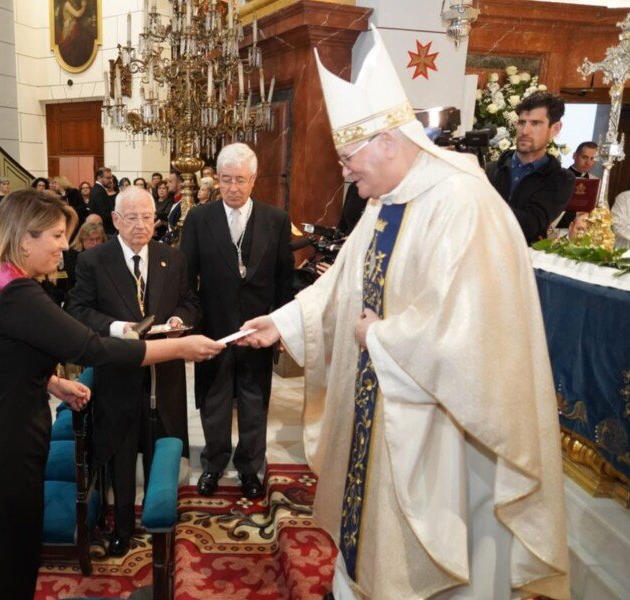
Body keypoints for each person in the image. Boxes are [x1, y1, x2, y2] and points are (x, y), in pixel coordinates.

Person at [238, 30, 569, 599]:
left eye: (348, 158)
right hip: (384, 411)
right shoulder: (387, 199)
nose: (344, 174)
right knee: (366, 538)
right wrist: (284, 322)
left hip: (443, 433)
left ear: (387, 141)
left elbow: (473, 336)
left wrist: (381, 336)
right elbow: (343, 283)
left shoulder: (463, 203)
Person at [0, 189, 224, 599]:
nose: (65, 246)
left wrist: (52, 382)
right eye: (57, 235)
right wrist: (180, 348)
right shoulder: (20, 294)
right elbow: (95, 349)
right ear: (26, 238)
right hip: (4, 441)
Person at [66, 187, 200, 556]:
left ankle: (162, 518)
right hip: (118, 373)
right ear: (115, 221)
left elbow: (189, 301)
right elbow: (78, 310)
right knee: (122, 452)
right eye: (132, 218)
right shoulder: (94, 261)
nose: (141, 226)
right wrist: (116, 328)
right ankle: (122, 526)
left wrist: (180, 318)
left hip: (164, 373)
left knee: (164, 445)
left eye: (147, 217)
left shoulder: (171, 259)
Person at [180, 143, 295, 499]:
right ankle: (213, 465)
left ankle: (249, 468)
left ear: (254, 180)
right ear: (217, 179)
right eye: (226, 180)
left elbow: (283, 280)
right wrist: (190, 325)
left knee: (253, 401)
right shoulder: (199, 219)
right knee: (213, 402)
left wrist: (280, 327)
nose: (233, 187)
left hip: (257, 332)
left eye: (240, 180)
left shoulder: (276, 220)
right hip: (213, 329)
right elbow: (186, 279)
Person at [485, 92, 575, 244]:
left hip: (524, 260)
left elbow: (529, 225)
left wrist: (482, 202)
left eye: (535, 123)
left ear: (555, 129)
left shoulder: (559, 179)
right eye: (521, 122)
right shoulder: (490, 168)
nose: (525, 131)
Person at [63, 220, 104, 293]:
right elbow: (73, 276)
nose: (95, 243)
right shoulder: (74, 253)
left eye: (98, 239)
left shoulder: (105, 251)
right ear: (82, 240)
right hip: (77, 292)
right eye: (91, 240)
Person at [88, 167, 116, 235]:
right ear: (99, 178)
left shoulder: (98, 189)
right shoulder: (99, 191)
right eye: (108, 178)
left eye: (111, 178)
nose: (110, 180)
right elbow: (105, 214)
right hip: (103, 230)